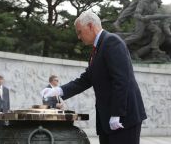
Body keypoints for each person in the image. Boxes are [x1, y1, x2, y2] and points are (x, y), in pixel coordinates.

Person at [41, 10, 147, 144]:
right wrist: (58, 91)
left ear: (90, 26)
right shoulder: (97, 48)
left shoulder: (112, 42)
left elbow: (122, 80)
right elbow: (86, 79)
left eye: (79, 32)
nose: (79, 37)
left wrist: (117, 113)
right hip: (108, 118)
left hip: (123, 118)